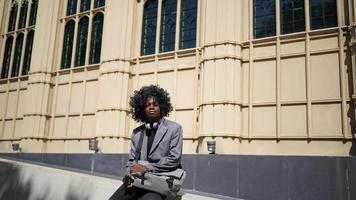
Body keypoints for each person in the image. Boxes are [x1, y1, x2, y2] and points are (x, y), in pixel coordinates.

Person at [109, 85, 183, 200]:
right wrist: (128, 174)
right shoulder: (137, 133)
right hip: (138, 182)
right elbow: (131, 161)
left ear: (161, 107)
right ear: (142, 109)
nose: (151, 107)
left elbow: (174, 159)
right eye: (147, 105)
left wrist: (147, 167)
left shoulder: (174, 129)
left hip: (160, 183)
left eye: (155, 104)